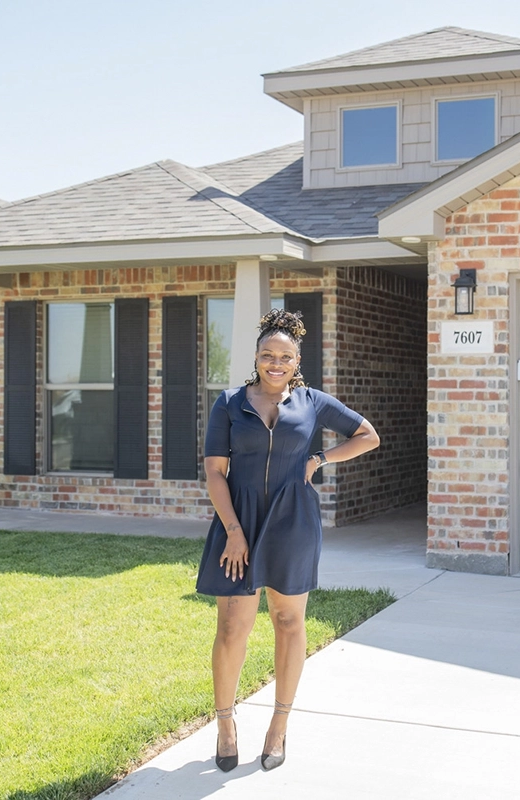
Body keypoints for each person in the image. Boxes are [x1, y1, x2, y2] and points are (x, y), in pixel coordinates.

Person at [196, 308, 380, 772]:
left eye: (285, 357)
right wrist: (233, 532)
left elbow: (367, 436)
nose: (275, 364)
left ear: (297, 361)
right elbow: (215, 472)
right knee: (232, 627)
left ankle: (279, 725)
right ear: (256, 357)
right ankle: (225, 725)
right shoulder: (229, 403)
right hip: (238, 522)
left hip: (292, 522)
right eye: (267, 355)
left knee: (288, 620)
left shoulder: (313, 402)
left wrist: (319, 458)